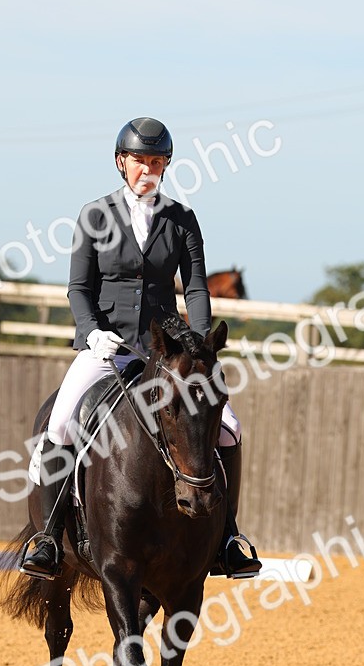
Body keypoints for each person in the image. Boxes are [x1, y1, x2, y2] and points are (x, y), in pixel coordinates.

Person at [20, 116, 261, 582]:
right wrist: (92, 331)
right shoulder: (95, 216)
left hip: (165, 351)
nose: (146, 169)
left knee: (229, 427)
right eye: (138, 161)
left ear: (165, 166)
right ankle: (48, 537)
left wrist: (199, 346)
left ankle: (227, 538)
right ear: (121, 162)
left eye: (156, 161)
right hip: (106, 347)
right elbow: (78, 288)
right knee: (62, 420)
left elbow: (196, 289)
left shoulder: (181, 220)